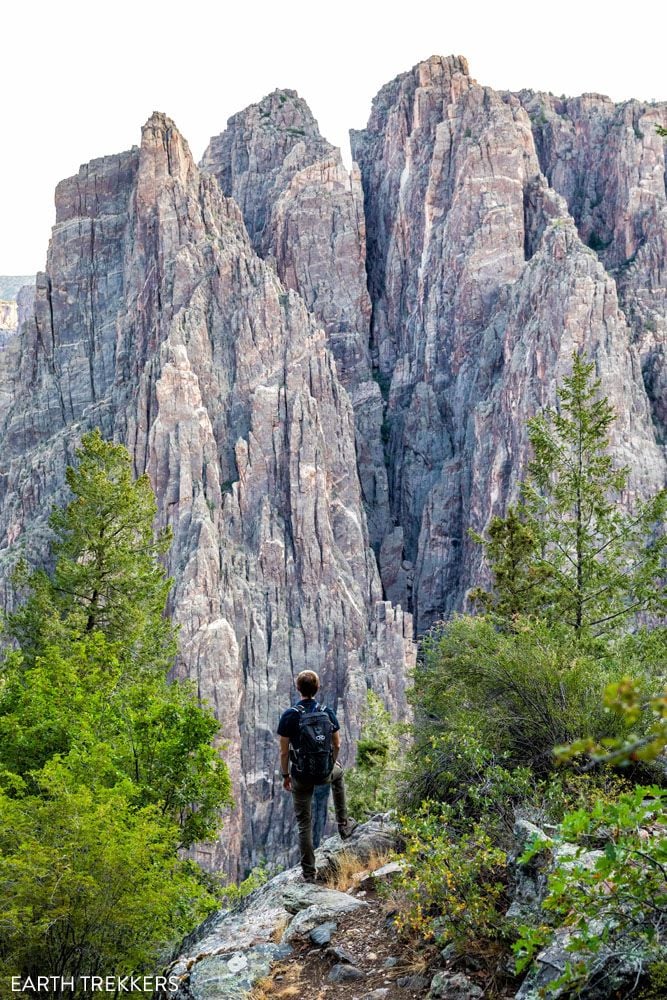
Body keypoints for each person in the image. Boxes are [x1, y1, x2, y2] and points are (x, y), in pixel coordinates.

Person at [278, 670, 357, 882]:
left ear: (298, 689)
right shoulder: (327, 712)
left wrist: (286, 775)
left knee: (304, 823)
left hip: (301, 776)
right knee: (338, 775)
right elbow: (337, 743)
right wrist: (331, 763)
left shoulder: (290, 715)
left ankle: (309, 874)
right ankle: (343, 824)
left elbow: (284, 751)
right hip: (324, 772)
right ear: (317, 688)